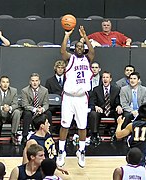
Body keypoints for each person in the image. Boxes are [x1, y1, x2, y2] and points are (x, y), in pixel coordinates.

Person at [56, 26, 95, 168]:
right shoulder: (70, 58)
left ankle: (82, 151)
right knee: (65, 124)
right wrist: (67, 35)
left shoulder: (87, 59)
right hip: (68, 98)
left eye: (81, 46)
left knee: (82, 126)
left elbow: (92, 51)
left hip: (81, 98)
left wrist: (85, 37)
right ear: (74, 48)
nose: (79, 48)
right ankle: (61, 151)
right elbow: (62, 51)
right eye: (77, 46)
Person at [22, 114, 68, 179]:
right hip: (41, 171)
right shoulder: (33, 141)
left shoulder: (48, 135)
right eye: (47, 123)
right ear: (42, 126)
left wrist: (57, 167)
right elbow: (26, 161)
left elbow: (51, 155)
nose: (49, 125)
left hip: (50, 169)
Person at [88, 71, 123, 145]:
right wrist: (95, 106)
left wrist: (119, 106)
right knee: (93, 113)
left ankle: (117, 134)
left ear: (110, 79)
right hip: (101, 110)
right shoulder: (96, 89)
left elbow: (118, 102)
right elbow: (92, 102)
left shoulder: (116, 89)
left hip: (111, 110)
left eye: (107, 77)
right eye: (103, 77)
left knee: (119, 112)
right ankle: (94, 135)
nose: (105, 79)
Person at [0, 76, 21, 146]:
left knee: (17, 112)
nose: (5, 84)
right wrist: (2, 108)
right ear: (0, 84)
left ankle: (13, 135)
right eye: (3, 82)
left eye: (7, 82)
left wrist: (9, 108)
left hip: (9, 114)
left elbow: (15, 104)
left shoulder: (13, 91)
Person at [21, 73, 52, 144]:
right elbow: (25, 105)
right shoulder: (25, 91)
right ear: (30, 82)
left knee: (48, 113)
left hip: (41, 111)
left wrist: (42, 109)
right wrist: (35, 109)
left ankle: (49, 135)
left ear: (39, 82)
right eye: (33, 81)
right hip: (31, 111)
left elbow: (46, 104)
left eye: (36, 81)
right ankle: (25, 136)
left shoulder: (45, 90)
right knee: (27, 113)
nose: (34, 83)